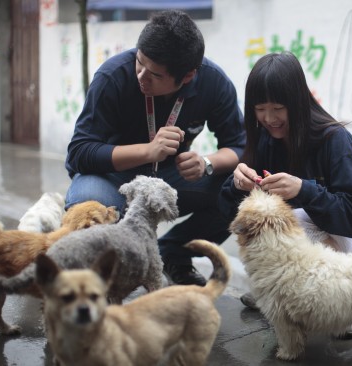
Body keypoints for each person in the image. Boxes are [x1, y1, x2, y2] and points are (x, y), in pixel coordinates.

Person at [65, 10, 245, 286]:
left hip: (169, 180)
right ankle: (95, 283)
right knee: (88, 210)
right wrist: (148, 151)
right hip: (108, 176)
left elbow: (240, 145)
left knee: (240, 192)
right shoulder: (113, 76)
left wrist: (206, 163)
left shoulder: (213, 82)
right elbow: (79, 153)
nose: (141, 76)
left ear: (187, 76)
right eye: (139, 62)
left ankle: (173, 252)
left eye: (155, 74)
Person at [218, 52, 352, 337]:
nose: (269, 118)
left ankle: (351, 306)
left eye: (278, 108)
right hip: (308, 248)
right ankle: (280, 299)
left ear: (297, 102)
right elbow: (230, 214)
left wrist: (305, 190)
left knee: (295, 218)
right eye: (260, 108)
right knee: (270, 222)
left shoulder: (336, 141)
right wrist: (236, 186)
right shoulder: (265, 140)